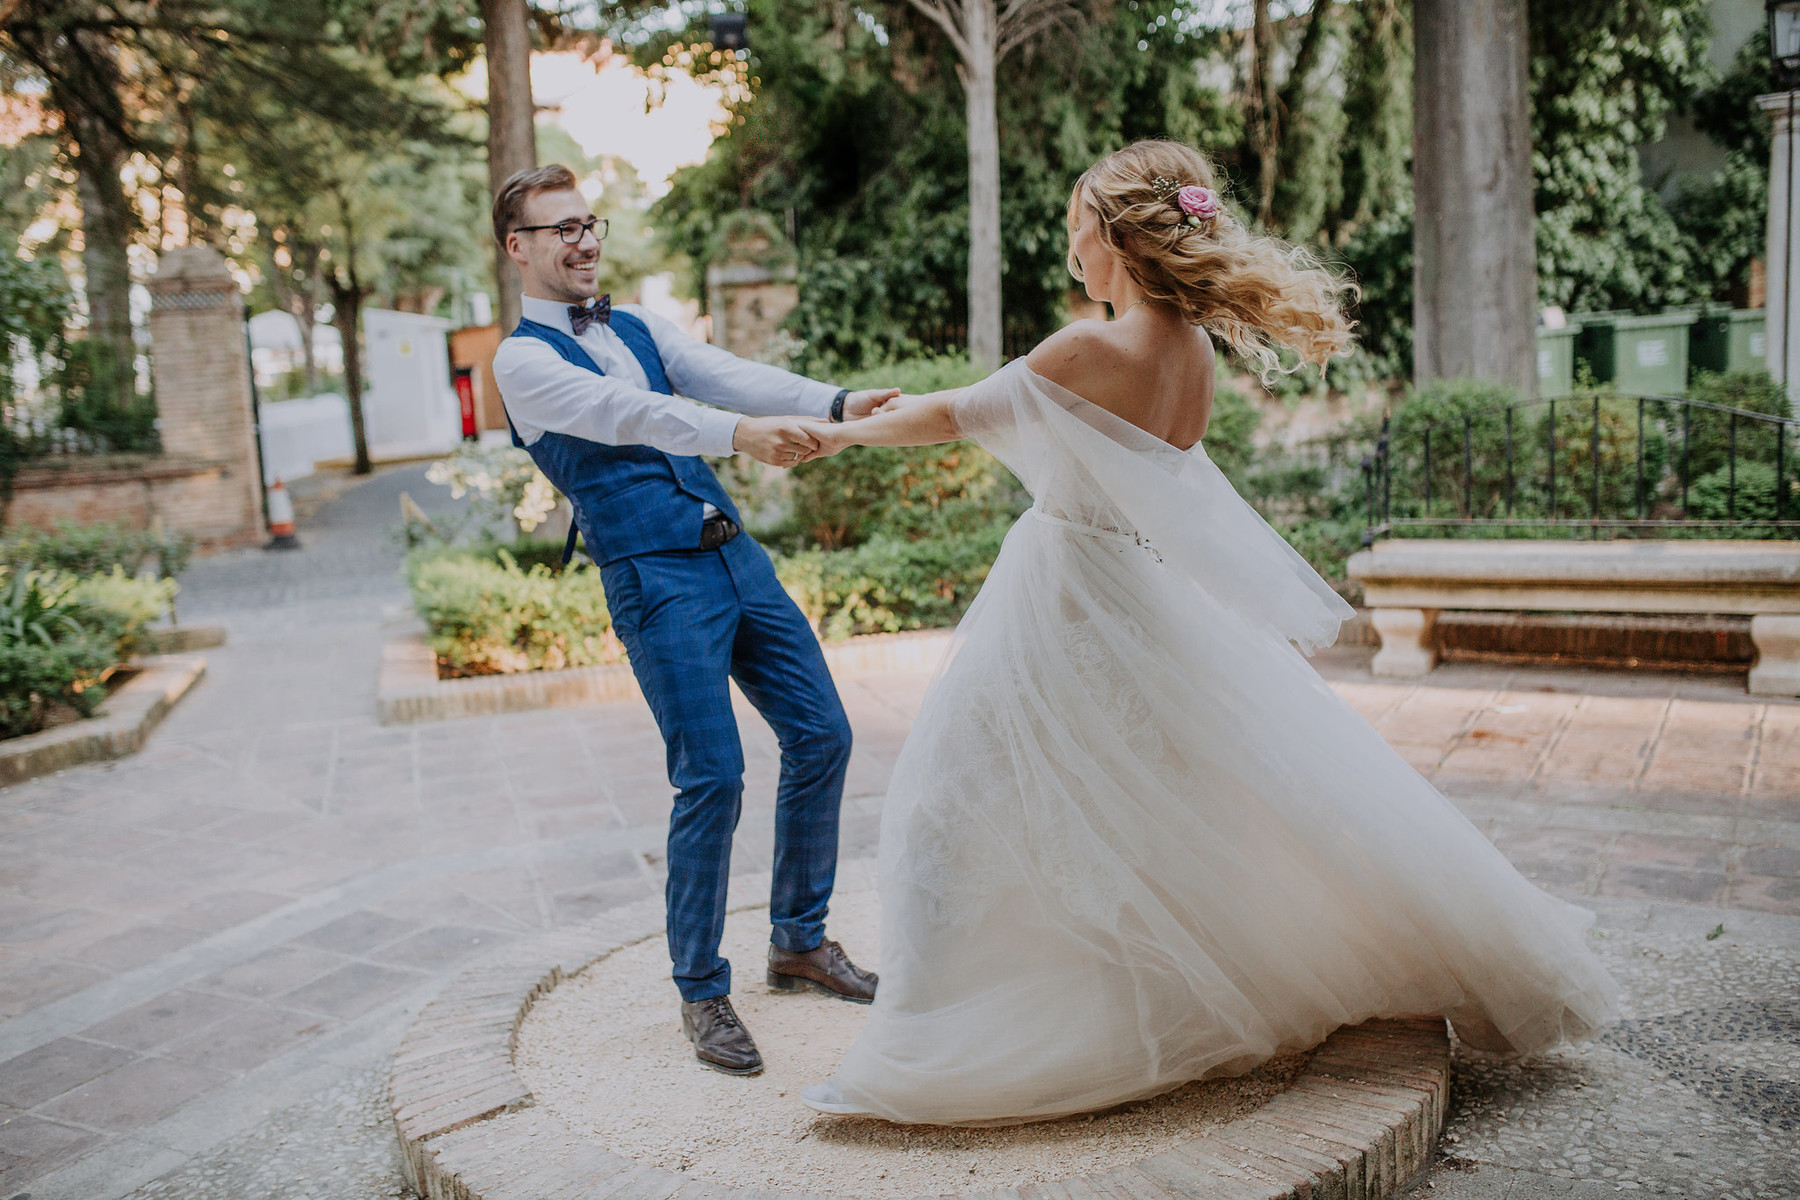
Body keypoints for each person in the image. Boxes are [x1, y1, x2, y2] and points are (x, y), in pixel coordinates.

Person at [791, 140, 1620, 1125]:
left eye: (1076, 233)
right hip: (1132, 590)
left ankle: (954, 1024)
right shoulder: (1186, 352)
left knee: (950, 802)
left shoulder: (1088, 347)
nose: (1070, 256)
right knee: (1136, 805)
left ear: (1115, 239)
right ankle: (1081, 987)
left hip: (1069, 599)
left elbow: (955, 415)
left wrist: (837, 429)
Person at [488, 164, 894, 1078]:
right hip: (654, 577)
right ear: (520, 248)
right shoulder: (523, 360)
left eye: (589, 223)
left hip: (733, 556)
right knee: (711, 775)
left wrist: (834, 403)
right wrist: (736, 436)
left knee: (823, 733)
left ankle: (798, 942)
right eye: (561, 230)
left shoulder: (637, 324)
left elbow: (727, 372)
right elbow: (627, 413)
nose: (585, 240)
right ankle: (702, 990)